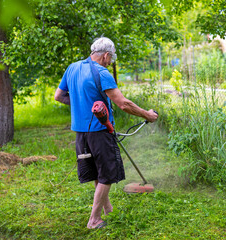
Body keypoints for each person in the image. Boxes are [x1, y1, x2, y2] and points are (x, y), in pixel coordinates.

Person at [54, 37, 158, 229]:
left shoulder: (73, 68)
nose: (110, 63)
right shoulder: (102, 73)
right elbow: (123, 103)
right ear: (106, 55)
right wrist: (147, 114)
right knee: (108, 174)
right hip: (100, 132)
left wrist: (80, 105)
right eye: (111, 59)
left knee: (97, 171)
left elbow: (59, 96)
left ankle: (108, 209)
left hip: (80, 134)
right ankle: (94, 219)